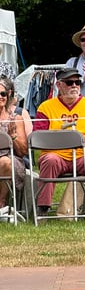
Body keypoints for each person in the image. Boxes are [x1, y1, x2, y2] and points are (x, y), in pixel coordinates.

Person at [32, 68, 85, 217]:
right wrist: (64, 140)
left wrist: (80, 139)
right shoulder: (45, 107)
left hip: (82, 156)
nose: (74, 85)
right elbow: (37, 137)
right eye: (69, 82)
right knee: (50, 160)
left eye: (77, 82)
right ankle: (43, 208)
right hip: (55, 156)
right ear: (59, 85)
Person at [0, 78, 27, 207]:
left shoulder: (16, 118)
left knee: (4, 161)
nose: (0, 97)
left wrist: (13, 136)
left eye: (3, 94)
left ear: (8, 94)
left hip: (11, 159)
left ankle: (1, 202)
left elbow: (23, 152)